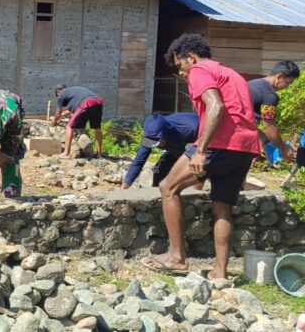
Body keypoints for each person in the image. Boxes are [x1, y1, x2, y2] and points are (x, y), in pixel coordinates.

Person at [142, 34, 259, 279]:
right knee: (221, 205)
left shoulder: (200, 70)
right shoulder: (231, 74)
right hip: (246, 147)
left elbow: (216, 106)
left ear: (190, 57)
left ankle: (176, 258)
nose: (182, 73)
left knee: (168, 187)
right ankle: (219, 273)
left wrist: (201, 151)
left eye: (180, 66)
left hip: (220, 144)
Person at [122, 113, 199, 189]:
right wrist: (126, 183)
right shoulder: (150, 135)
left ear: (165, 135)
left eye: (157, 143)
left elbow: (205, 148)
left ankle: (198, 196)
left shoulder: (190, 128)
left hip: (200, 145)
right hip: (176, 150)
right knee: (159, 168)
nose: (156, 146)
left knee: (195, 168)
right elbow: (139, 160)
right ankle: (158, 196)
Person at [247, 60, 300, 163]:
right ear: (279, 77)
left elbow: (243, 120)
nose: (287, 87)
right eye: (288, 83)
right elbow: (269, 127)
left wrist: (263, 139)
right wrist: (283, 149)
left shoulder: (253, 83)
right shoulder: (270, 95)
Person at [49, 85, 104, 158]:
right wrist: (66, 112)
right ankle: (99, 154)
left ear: (58, 91)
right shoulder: (74, 91)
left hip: (87, 102)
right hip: (98, 101)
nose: (58, 97)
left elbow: (57, 113)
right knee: (97, 128)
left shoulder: (62, 94)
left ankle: (66, 154)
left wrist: (54, 121)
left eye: (57, 95)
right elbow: (77, 107)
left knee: (69, 126)